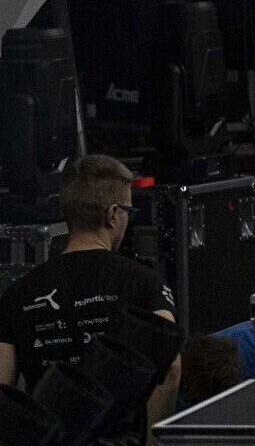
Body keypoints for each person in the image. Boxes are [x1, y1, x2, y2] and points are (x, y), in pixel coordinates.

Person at [0, 155, 178, 440]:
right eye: (128, 213)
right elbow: (169, 368)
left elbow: (3, 388)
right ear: (112, 215)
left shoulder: (18, 293)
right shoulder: (144, 282)